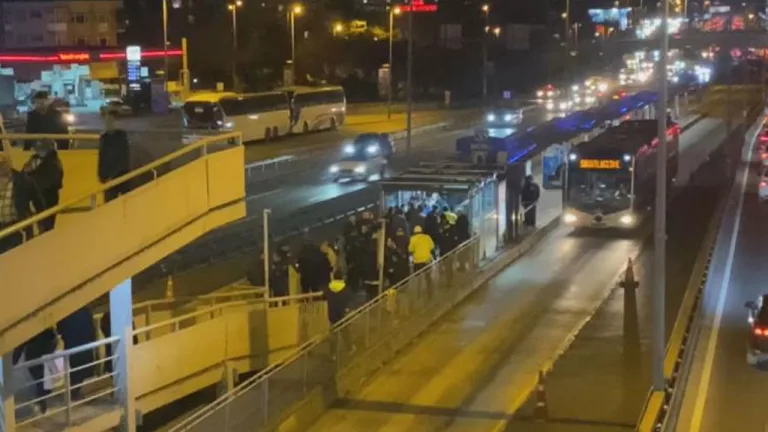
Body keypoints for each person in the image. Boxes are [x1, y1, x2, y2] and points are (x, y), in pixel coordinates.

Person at [0, 152, 44, 254]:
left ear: (9, 163)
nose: (1, 167)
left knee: (12, 257)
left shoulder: (22, 180)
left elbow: (38, 201)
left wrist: (42, 223)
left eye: (3, 163)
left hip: (13, 227)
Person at [13, 328, 57, 413]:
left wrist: (14, 360)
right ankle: (42, 405)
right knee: (43, 381)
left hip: (36, 357)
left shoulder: (32, 329)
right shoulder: (46, 329)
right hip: (40, 357)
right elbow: (53, 339)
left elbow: (21, 345)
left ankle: (41, 404)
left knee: (41, 380)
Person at [22, 140, 63, 231]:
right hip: (38, 196)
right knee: (41, 222)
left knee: (47, 224)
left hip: (47, 196)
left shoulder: (52, 162)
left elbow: (54, 181)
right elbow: (25, 172)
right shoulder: (36, 159)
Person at [57, 308, 97, 400]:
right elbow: (91, 330)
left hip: (71, 346)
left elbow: (60, 329)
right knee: (81, 370)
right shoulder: (86, 312)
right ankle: (74, 393)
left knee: (74, 371)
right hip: (84, 346)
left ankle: (73, 393)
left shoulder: (65, 313)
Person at [98, 114, 131, 202]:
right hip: (116, 174)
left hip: (118, 174)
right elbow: (102, 157)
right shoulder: (108, 138)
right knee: (116, 201)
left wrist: (104, 175)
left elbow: (106, 157)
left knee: (120, 201)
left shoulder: (118, 137)